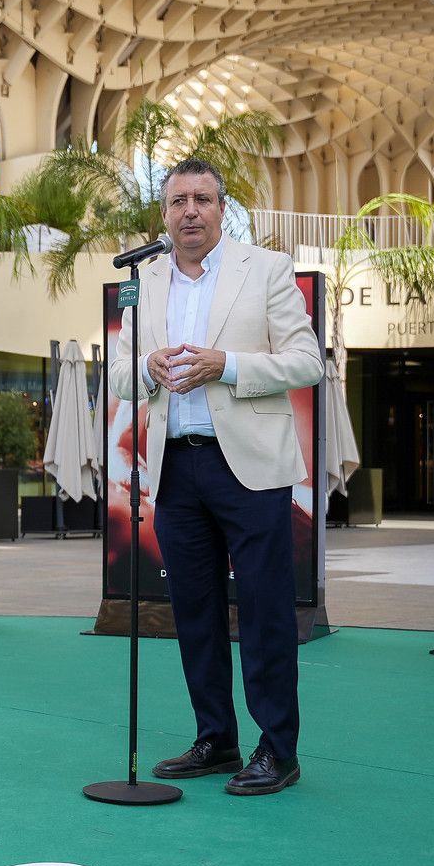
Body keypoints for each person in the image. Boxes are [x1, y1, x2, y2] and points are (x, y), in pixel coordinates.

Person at [109, 159, 323, 796]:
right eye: (178, 201)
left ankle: (277, 749)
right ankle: (216, 739)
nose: (190, 211)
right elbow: (119, 378)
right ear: (165, 213)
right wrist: (146, 366)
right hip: (176, 465)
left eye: (203, 199)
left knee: (264, 611)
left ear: (222, 209)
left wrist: (225, 365)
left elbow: (306, 361)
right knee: (194, 610)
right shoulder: (143, 283)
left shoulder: (268, 270)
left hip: (251, 467)